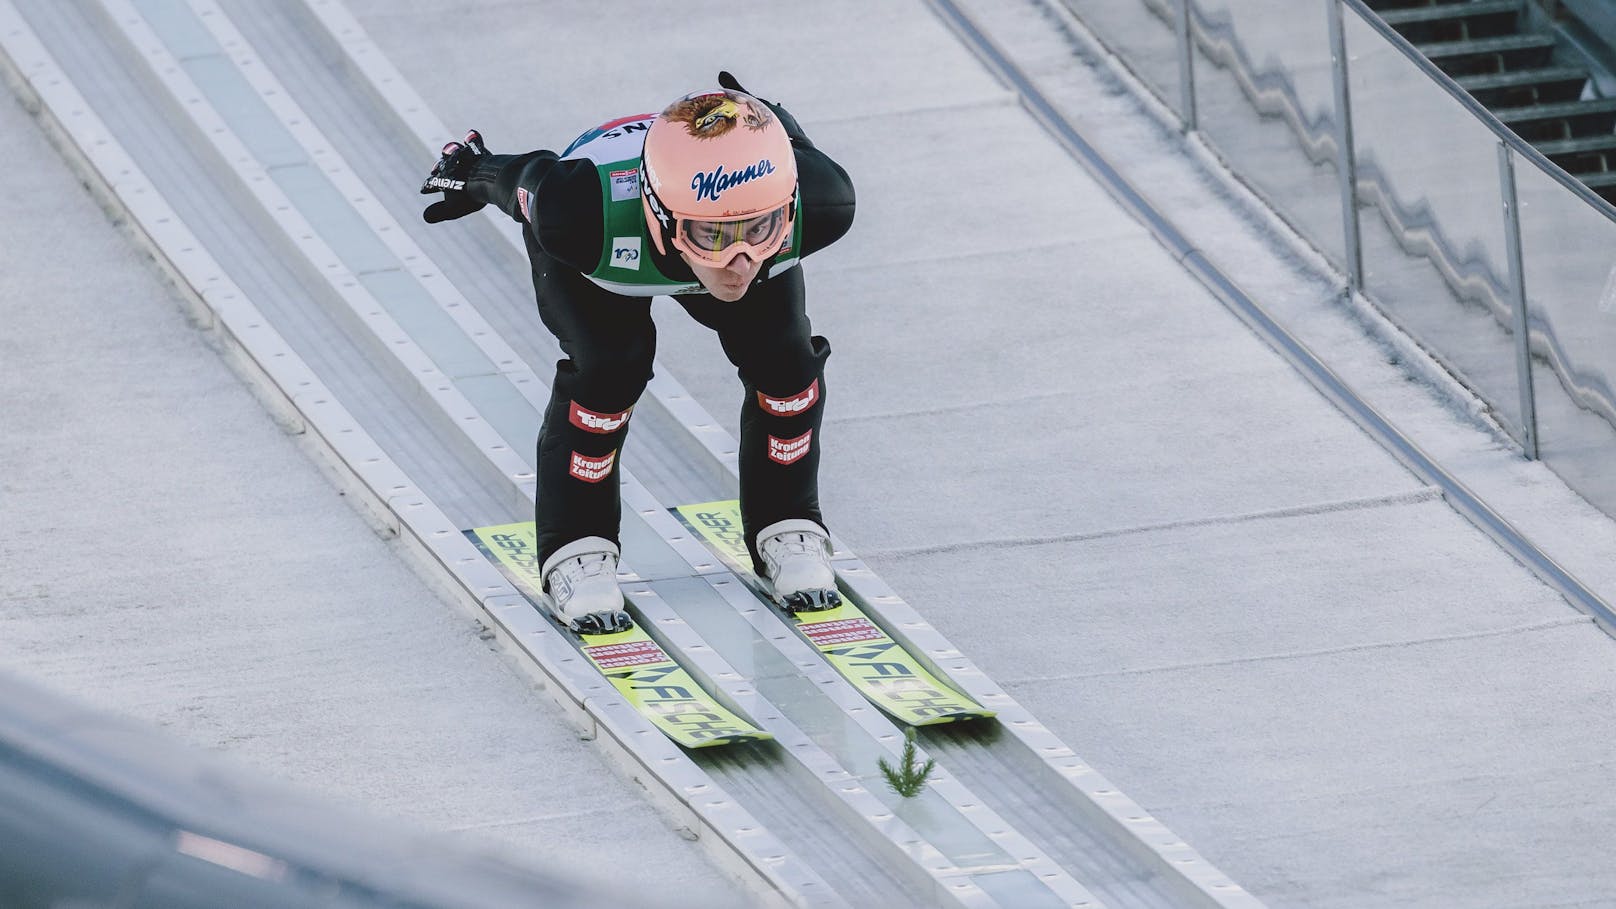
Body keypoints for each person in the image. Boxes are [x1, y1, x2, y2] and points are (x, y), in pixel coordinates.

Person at [421, 72, 856, 633]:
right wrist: (474, 171)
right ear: (659, 212)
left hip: (671, 228)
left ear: (787, 205)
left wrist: (764, 123)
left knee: (788, 368)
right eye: (713, 236)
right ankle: (576, 547)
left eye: (761, 227)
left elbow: (791, 153)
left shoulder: (822, 199)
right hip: (607, 256)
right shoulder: (577, 211)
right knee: (610, 371)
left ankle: (789, 524)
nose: (741, 260)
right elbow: (524, 177)